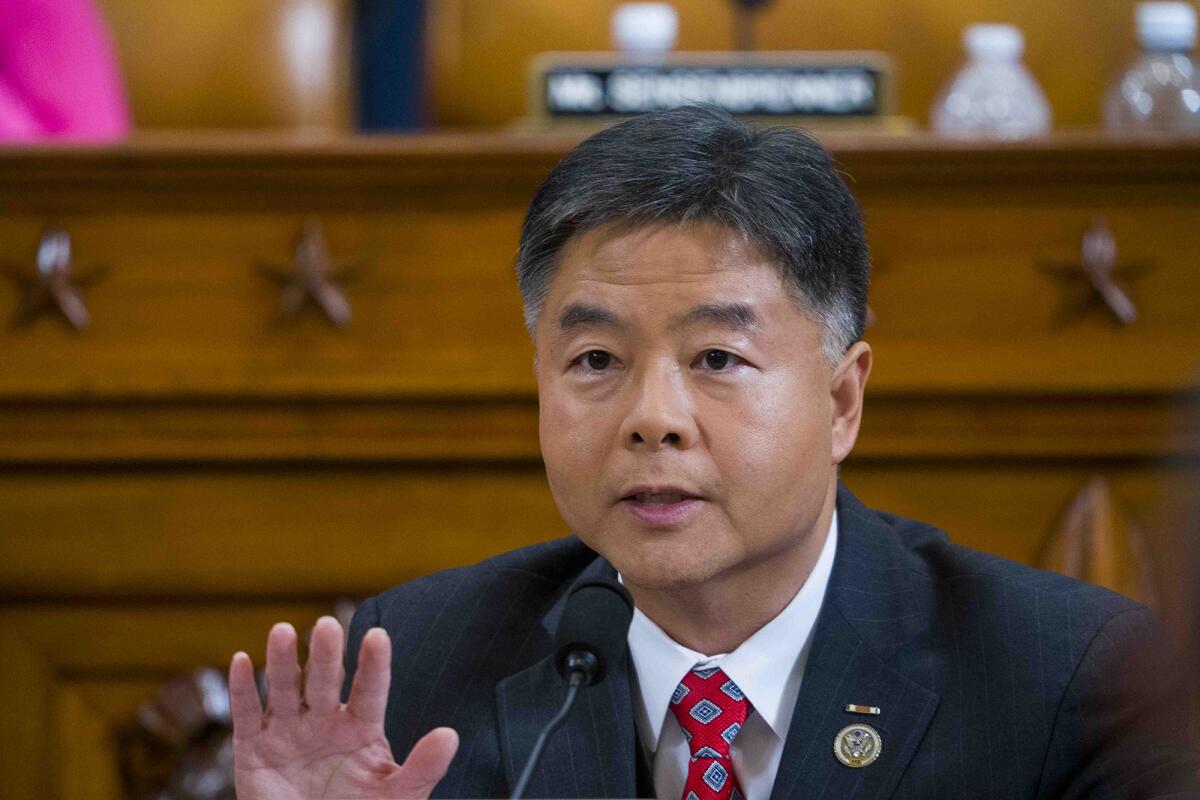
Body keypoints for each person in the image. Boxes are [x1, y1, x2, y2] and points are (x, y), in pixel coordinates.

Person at [228, 105, 1200, 799]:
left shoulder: (1061, 680)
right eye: (596, 357)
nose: (654, 417)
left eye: (718, 357)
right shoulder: (413, 668)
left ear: (842, 397)